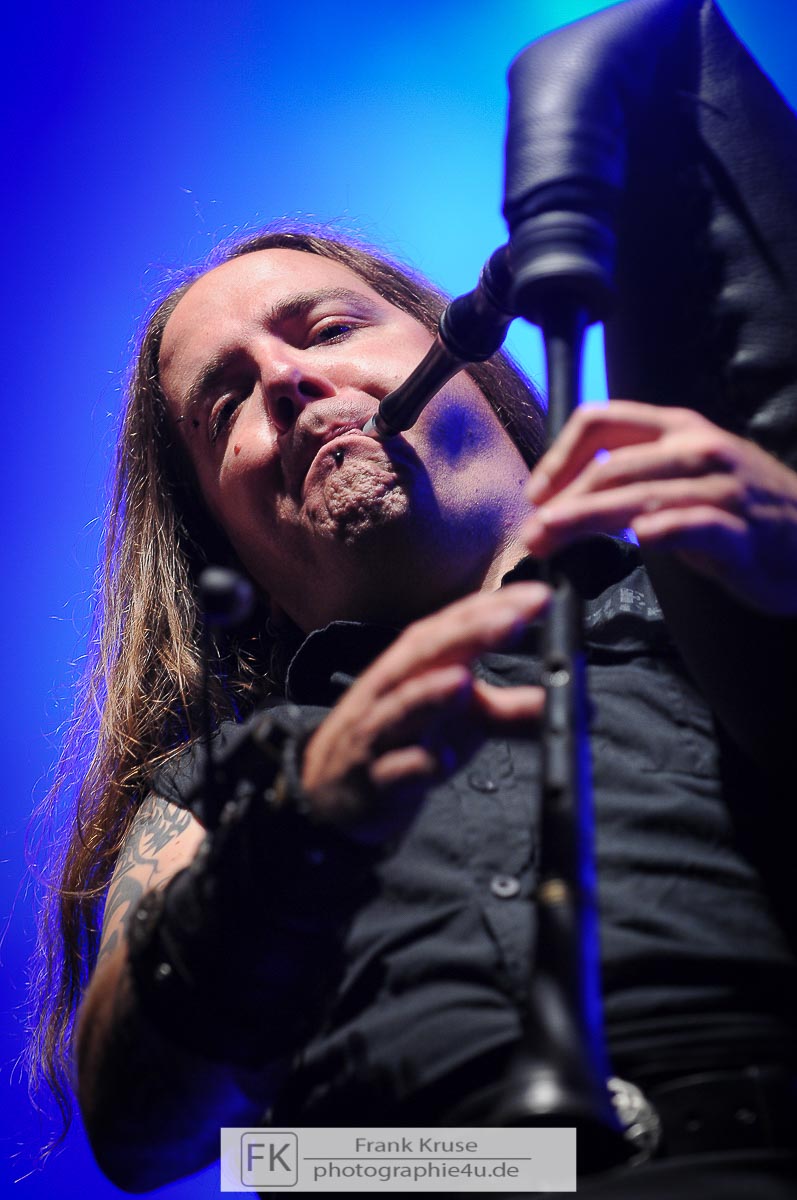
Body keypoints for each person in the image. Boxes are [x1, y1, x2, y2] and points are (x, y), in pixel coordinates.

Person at [30, 226, 797, 1197]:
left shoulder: (723, 598)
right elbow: (136, 1135)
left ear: (470, 362)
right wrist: (297, 828)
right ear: (227, 550)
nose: (286, 381)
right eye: (226, 405)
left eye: (327, 330)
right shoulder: (223, 787)